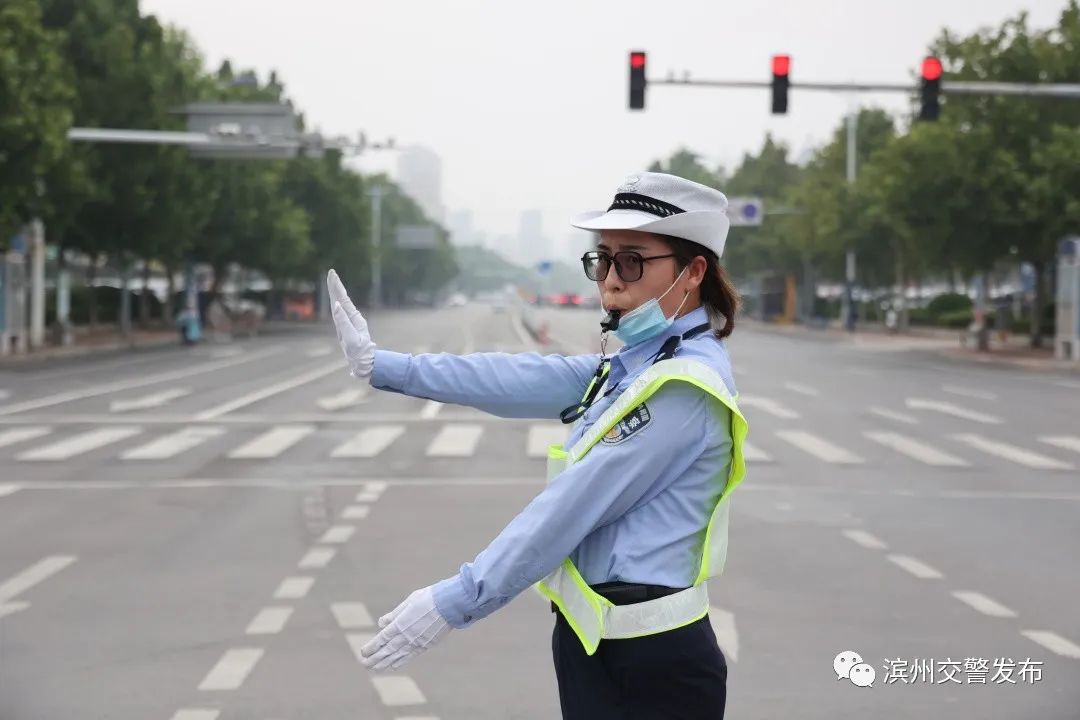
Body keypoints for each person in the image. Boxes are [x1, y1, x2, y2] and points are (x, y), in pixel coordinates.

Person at [327, 171, 748, 720]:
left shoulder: (683, 387)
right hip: (600, 648)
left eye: (631, 262)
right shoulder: (639, 365)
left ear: (693, 272)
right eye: (603, 259)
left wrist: (458, 599)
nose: (610, 281)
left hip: (654, 664)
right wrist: (383, 366)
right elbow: (517, 377)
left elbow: (568, 509)